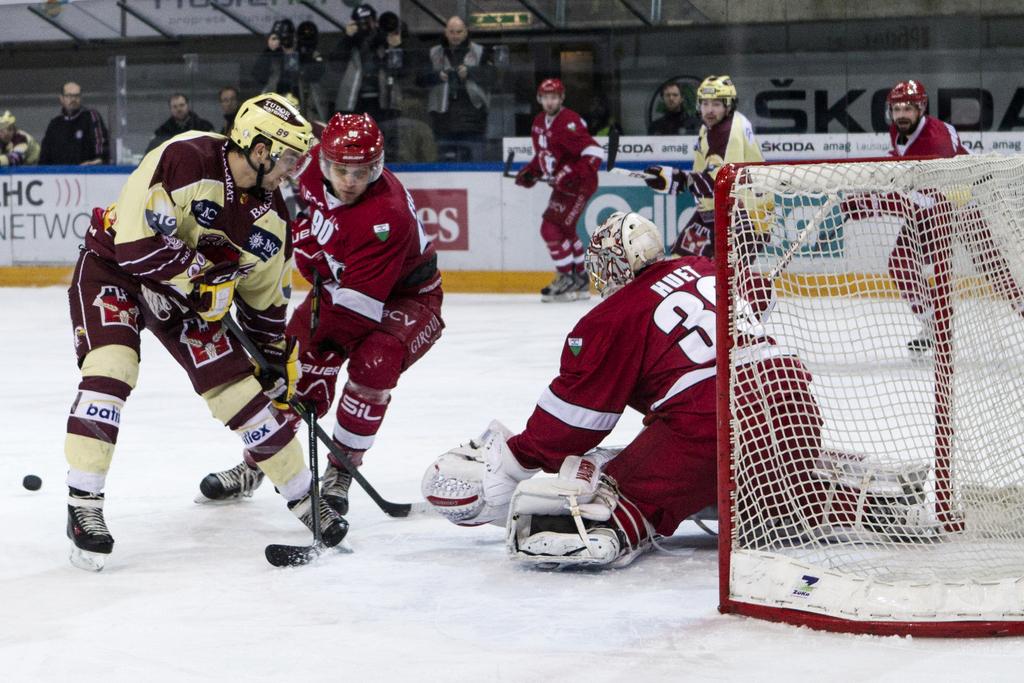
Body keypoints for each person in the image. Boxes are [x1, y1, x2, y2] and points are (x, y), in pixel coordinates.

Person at [62, 93, 347, 571]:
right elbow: (135, 246)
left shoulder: (273, 221)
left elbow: (263, 305)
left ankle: (305, 499)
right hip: (115, 271)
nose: (293, 173)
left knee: (239, 391)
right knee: (112, 370)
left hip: (185, 298)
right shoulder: (185, 156)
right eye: (290, 159)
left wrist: (272, 360)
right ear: (261, 150)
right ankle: (83, 507)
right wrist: (202, 274)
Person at [423, 212, 717, 567]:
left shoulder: (614, 316)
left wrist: (517, 457)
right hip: (794, 406)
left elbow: (576, 422)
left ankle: (649, 505)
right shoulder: (703, 267)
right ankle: (749, 493)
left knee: (602, 499)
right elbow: (760, 295)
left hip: (709, 425)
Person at [198, 113, 444, 519]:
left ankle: (341, 472)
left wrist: (326, 353)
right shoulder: (306, 162)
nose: (349, 180)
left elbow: (359, 308)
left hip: (408, 298)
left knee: (373, 363)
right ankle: (256, 465)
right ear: (321, 160)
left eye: (362, 171)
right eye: (340, 169)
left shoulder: (386, 216)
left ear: (377, 166)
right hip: (337, 289)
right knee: (288, 372)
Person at [838, 79, 1024, 353]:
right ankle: (933, 325)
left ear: (921, 108)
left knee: (991, 266)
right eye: (897, 108)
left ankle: (1020, 304)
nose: (902, 115)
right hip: (930, 208)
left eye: (909, 109)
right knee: (901, 262)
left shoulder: (933, 141)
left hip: (960, 204)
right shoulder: (898, 130)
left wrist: (871, 205)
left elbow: (925, 198)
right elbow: (905, 167)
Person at [644, 75, 762, 257]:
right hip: (717, 211)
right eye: (705, 104)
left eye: (716, 104)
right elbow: (706, 174)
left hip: (743, 217)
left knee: (718, 276)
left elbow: (722, 182)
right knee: (680, 263)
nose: (710, 110)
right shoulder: (711, 126)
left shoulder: (729, 133)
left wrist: (679, 179)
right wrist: (681, 179)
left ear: (728, 105)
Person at [514, 78, 602, 302]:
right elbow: (545, 156)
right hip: (564, 185)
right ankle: (580, 280)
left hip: (580, 185)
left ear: (562, 98)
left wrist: (572, 175)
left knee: (550, 229)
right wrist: (532, 172)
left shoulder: (570, 121)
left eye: (554, 97)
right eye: (546, 97)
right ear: (539, 99)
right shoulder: (538, 122)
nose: (550, 101)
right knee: (566, 231)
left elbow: (594, 152)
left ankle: (566, 277)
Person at [420, 15, 493, 161]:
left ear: (466, 32)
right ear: (446, 32)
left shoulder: (481, 51)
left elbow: (493, 76)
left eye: (459, 32)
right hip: (443, 121)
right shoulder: (433, 52)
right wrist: (438, 76)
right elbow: (419, 78)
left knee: (476, 169)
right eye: (452, 32)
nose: (455, 36)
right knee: (444, 169)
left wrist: (470, 72)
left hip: (473, 120)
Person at [330, 4, 405, 122]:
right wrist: (347, 38)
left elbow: (402, 72)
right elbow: (335, 64)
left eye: (368, 21)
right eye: (361, 22)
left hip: (384, 103)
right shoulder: (349, 43)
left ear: (376, 22)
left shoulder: (384, 41)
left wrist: (395, 47)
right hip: (353, 103)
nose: (365, 26)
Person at [39, 81, 109, 165]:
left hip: (87, 174)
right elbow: (44, 157)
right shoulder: (54, 124)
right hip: (59, 175)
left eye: (76, 96)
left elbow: (101, 148)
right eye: (69, 96)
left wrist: (97, 162)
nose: (73, 99)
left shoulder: (91, 116)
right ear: (61, 98)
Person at [145, 93, 215, 153]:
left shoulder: (204, 127)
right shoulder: (162, 131)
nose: (179, 109)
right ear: (170, 109)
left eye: (182, 105)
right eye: (175, 107)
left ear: (187, 105)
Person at [254, 19, 302, 100]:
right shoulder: (270, 55)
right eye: (279, 38)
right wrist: (269, 50)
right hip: (273, 101)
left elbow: (293, 80)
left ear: (294, 38)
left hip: (295, 100)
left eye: (287, 38)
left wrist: (290, 53)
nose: (284, 41)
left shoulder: (300, 52)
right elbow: (259, 77)